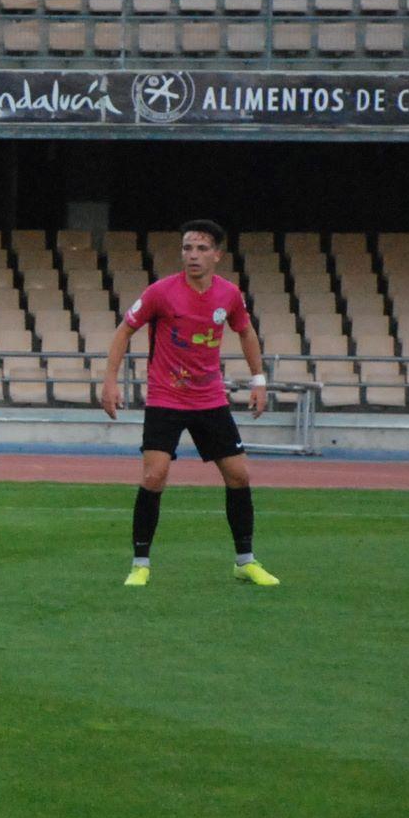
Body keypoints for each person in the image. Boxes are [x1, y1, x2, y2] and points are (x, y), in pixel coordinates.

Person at [99, 218, 278, 587]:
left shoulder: (229, 295)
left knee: (239, 475)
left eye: (200, 248)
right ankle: (140, 564)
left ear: (217, 255)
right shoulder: (160, 292)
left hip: (209, 398)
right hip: (166, 397)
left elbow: (245, 331)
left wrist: (259, 380)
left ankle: (245, 561)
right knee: (154, 476)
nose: (192, 255)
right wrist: (110, 380)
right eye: (186, 248)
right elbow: (124, 330)